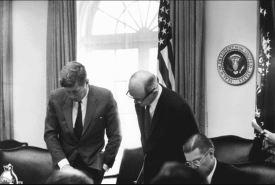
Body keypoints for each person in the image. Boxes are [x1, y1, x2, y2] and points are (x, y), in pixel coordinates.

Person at [44, 61, 122, 184]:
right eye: (67, 91)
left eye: (75, 91)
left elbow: (115, 135)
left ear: (86, 82)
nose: (70, 96)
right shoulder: (56, 97)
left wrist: (106, 163)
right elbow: (50, 134)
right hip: (64, 164)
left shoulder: (105, 97)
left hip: (93, 167)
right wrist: (63, 164)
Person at [127, 70, 199, 183]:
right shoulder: (140, 101)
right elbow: (148, 139)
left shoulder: (178, 107)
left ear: (154, 91)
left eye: (138, 99)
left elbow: (193, 146)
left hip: (172, 176)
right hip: (150, 173)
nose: (136, 102)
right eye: (133, 97)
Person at [182, 133, 255, 184]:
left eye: (196, 162)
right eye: (189, 163)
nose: (193, 168)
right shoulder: (189, 179)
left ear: (211, 153)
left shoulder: (236, 178)